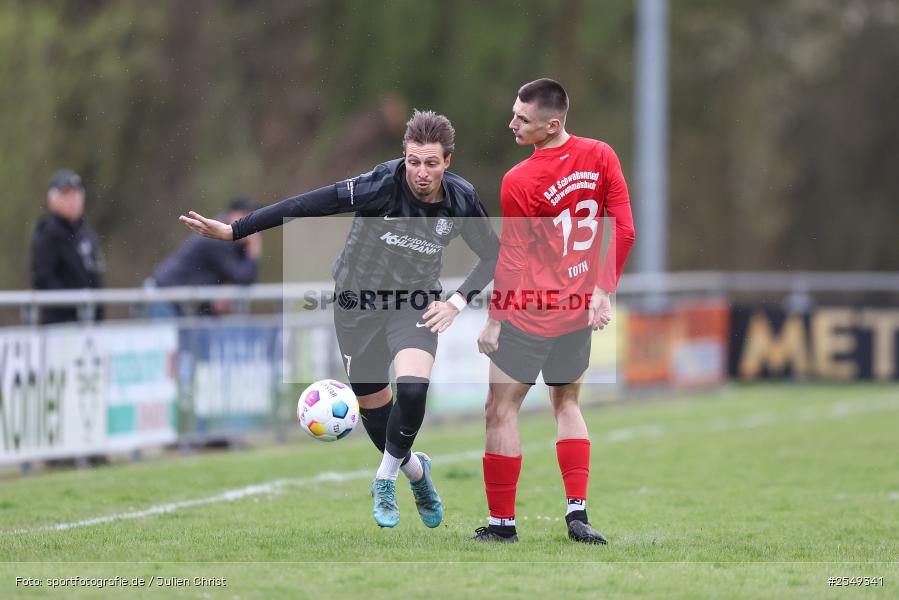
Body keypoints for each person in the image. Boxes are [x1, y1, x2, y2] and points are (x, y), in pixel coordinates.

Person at [180, 110, 500, 529]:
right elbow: (307, 204)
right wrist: (237, 230)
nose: (421, 172)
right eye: (414, 161)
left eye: (432, 163)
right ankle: (417, 474)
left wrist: (457, 302)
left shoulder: (461, 200)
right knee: (378, 412)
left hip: (414, 302)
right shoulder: (380, 185)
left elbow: (493, 253)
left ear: (448, 162)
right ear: (404, 156)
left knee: (413, 392)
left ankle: (384, 480)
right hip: (356, 304)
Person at [472, 79, 636, 544]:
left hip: (529, 313)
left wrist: (495, 319)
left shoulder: (520, 180)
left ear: (552, 124)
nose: (512, 124)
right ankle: (577, 514)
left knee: (500, 409)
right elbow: (624, 230)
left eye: (522, 119)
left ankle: (503, 526)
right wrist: (603, 290)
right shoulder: (601, 155)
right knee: (567, 403)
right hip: (576, 313)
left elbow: (514, 259)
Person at [150, 197, 261, 316]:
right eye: (245, 216)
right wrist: (254, 251)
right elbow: (242, 276)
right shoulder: (217, 239)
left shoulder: (235, 242)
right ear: (231, 214)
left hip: (177, 299)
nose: (250, 225)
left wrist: (228, 285)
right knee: (165, 335)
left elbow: (243, 277)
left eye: (252, 219)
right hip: (164, 296)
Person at [30, 169, 105, 324]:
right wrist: (74, 308)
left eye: (75, 195)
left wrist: (96, 312)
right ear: (52, 200)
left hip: (90, 324)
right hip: (60, 325)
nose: (72, 201)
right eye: (66, 195)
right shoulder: (47, 234)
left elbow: (96, 277)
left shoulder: (87, 234)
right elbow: (43, 279)